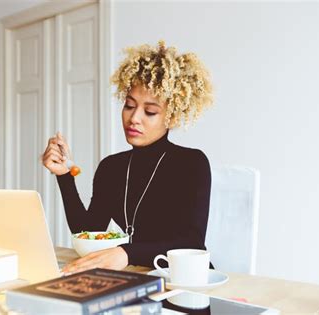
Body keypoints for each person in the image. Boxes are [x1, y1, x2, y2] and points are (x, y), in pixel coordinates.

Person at [41, 40, 214, 274]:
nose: (134, 118)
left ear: (172, 117)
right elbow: (89, 230)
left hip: (185, 281)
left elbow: (191, 243)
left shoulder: (191, 164)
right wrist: (64, 176)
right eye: (129, 105)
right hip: (136, 276)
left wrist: (127, 252)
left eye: (150, 111)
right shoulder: (111, 167)